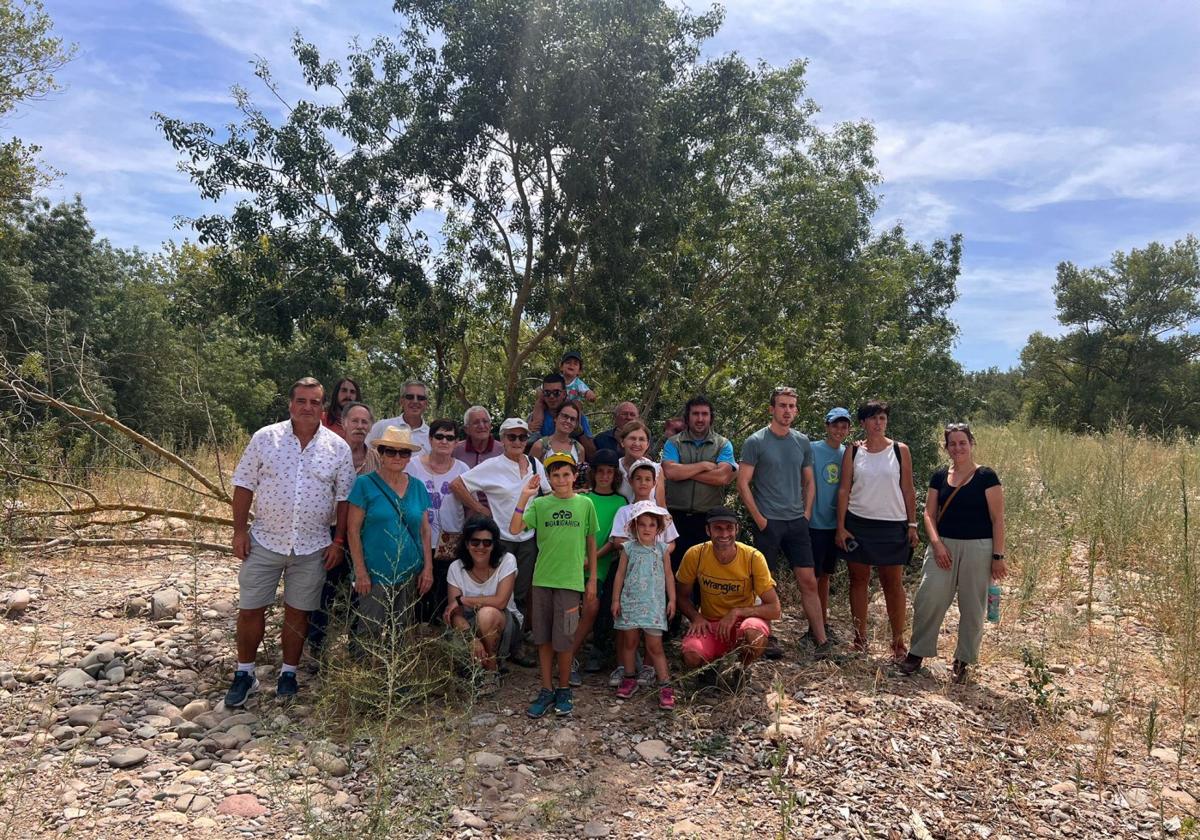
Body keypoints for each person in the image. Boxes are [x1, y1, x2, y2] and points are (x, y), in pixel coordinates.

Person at [226, 377, 356, 706]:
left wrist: (338, 540)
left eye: (315, 402)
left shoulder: (337, 447)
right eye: (302, 400)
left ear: (323, 407)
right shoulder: (265, 438)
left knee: (298, 613)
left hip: (313, 545)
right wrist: (239, 531)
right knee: (251, 609)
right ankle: (244, 673)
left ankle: (288, 673)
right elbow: (243, 484)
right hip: (265, 540)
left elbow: (344, 499)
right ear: (290, 404)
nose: (308, 407)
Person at [901, 424, 1007, 683]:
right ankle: (918, 652)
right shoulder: (939, 476)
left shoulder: (986, 476)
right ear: (946, 447)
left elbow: (998, 519)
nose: (958, 448)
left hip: (979, 548)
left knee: (972, 607)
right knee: (929, 597)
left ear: (971, 443)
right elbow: (929, 513)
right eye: (952, 443)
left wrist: (998, 557)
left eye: (962, 442)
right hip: (943, 545)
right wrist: (936, 544)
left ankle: (963, 660)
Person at [737, 386, 827, 660]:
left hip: (796, 521)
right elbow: (743, 483)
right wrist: (761, 520)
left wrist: (807, 513)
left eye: (792, 406)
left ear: (796, 411)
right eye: (782, 405)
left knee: (808, 580)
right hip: (769, 522)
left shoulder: (801, 442)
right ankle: (768, 636)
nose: (787, 411)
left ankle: (821, 640)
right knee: (766, 585)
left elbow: (809, 481)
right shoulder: (756, 441)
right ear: (772, 409)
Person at [450, 418, 550, 665]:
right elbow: (457, 484)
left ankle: (514, 646)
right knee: (500, 593)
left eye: (522, 437)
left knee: (523, 592)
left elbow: (547, 495)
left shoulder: (536, 465)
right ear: (502, 439)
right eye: (511, 437)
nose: (517, 442)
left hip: (529, 537)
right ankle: (492, 644)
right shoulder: (491, 466)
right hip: (502, 539)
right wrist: (480, 510)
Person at [509, 452, 598, 718]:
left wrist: (592, 578)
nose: (561, 480)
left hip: (570, 584)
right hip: (542, 581)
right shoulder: (541, 504)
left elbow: (592, 541)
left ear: (574, 476)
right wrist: (525, 496)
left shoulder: (585, 504)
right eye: (555, 475)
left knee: (565, 640)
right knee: (543, 639)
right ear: (548, 478)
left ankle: (564, 689)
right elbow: (515, 529)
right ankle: (546, 689)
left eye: (566, 474)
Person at [835, 400, 919, 661]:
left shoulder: (899, 450)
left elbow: (908, 488)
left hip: (893, 524)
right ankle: (860, 639)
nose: (878, 423)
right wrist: (840, 527)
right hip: (858, 523)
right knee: (858, 581)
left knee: (892, 583)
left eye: (882, 418)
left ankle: (898, 643)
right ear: (862, 423)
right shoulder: (852, 452)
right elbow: (844, 489)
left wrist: (912, 524)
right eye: (872, 418)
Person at [347, 426, 433, 657]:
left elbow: (425, 531)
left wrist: (428, 568)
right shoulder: (364, 484)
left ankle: (399, 684)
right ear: (381, 453)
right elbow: (352, 530)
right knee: (369, 630)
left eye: (403, 453)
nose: (397, 457)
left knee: (404, 632)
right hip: (374, 573)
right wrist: (360, 571)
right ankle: (365, 682)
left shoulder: (417, 487)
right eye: (390, 451)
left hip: (409, 572)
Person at [306, 400, 380, 659]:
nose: (359, 426)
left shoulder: (378, 460)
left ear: (370, 426)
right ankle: (317, 647)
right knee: (324, 589)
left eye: (364, 422)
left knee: (360, 590)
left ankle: (356, 649)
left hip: (364, 535)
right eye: (355, 421)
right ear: (344, 423)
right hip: (329, 533)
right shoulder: (327, 455)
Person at [675, 506, 782, 681]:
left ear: (737, 529)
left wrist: (738, 612)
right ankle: (713, 666)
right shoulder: (696, 554)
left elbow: (774, 609)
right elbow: (682, 596)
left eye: (729, 528)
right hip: (710, 624)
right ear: (708, 530)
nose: (724, 534)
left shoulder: (753, 557)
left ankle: (741, 668)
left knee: (754, 635)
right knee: (691, 656)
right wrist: (696, 617)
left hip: (742, 624)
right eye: (718, 528)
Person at [662, 396, 737, 600]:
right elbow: (670, 472)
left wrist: (684, 470)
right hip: (676, 518)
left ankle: (703, 622)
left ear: (711, 417)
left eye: (705, 414)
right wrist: (705, 465)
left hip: (708, 519)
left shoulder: (723, 444)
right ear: (688, 417)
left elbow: (722, 476)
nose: (700, 418)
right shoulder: (673, 443)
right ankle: (673, 621)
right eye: (696, 414)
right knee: (675, 570)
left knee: (705, 571)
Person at [444, 516, 522, 694]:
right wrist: (472, 639)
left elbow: (501, 601)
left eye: (487, 543)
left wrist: (464, 600)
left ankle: (491, 672)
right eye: (475, 542)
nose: (481, 547)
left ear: (494, 544)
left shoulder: (506, 561)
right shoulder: (456, 568)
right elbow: (455, 614)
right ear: (466, 543)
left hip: (502, 621)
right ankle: (476, 666)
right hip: (468, 624)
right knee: (458, 646)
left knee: (486, 614)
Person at [611, 501, 676, 709]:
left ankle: (665, 685)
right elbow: (620, 575)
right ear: (634, 526)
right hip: (630, 603)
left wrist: (672, 599)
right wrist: (615, 600)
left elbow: (668, 575)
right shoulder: (628, 549)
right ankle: (629, 677)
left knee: (655, 646)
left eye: (651, 525)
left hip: (654, 605)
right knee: (629, 642)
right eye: (642, 524)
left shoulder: (662, 549)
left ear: (658, 528)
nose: (647, 529)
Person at [406, 418, 470, 624]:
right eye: (439, 436)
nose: (444, 441)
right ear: (430, 439)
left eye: (450, 438)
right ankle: (414, 637)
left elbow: (469, 506)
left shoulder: (463, 469)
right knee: (416, 593)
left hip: (450, 543)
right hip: (416, 539)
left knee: (442, 593)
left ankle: (438, 639)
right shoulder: (413, 466)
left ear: (456, 442)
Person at [577, 449, 626, 674]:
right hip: (577, 562)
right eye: (601, 472)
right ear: (594, 473)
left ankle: (588, 652)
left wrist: (593, 558)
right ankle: (569, 655)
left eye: (610, 472)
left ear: (615, 475)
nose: (605, 476)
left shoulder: (621, 501)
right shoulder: (583, 498)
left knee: (597, 607)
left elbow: (615, 539)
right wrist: (581, 559)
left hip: (603, 563)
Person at [809, 407, 851, 640]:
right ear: (827, 426)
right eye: (835, 425)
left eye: (844, 426)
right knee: (812, 577)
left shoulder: (848, 453)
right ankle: (813, 627)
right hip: (814, 522)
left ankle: (822, 621)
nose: (839, 430)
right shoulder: (813, 449)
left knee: (825, 575)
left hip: (835, 525)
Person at [529, 399, 592, 487]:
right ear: (556, 418)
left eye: (573, 419)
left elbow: (579, 480)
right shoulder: (540, 446)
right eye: (565, 416)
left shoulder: (579, 449)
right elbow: (529, 476)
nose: (568, 421)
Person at [367, 379, 431, 453]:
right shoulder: (382, 426)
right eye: (410, 397)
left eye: (420, 398)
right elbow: (364, 452)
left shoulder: (431, 436)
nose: (415, 401)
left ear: (426, 404)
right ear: (401, 401)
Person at [529, 372, 594, 441]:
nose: (551, 396)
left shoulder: (576, 416)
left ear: (564, 394)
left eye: (556, 393)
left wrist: (579, 432)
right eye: (547, 393)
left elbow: (591, 450)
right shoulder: (536, 415)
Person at [617, 421, 665, 505]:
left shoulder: (656, 469)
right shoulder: (614, 467)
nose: (637, 443)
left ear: (647, 444)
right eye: (632, 438)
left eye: (642, 439)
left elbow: (661, 505)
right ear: (622, 442)